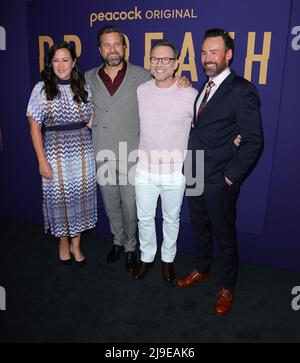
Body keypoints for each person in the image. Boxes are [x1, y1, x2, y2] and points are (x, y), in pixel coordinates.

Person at [85, 26, 190, 272]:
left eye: (117, 44)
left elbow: (168, 87)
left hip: (132, 155)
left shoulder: (143, 76)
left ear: (124, 47)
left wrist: (183, 79)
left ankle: (132, 248)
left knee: (132, 207)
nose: (113, 49)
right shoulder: (88, 77)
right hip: (103, 153)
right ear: (100, 49)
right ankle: (117, 241)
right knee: (111, 204)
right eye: (107, 45)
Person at [176, 29, 264, 315]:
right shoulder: (205, 86)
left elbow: (254, 140)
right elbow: (203, 128)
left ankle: (227, 285)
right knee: (200, 228)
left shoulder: (242, 89)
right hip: (195, 173)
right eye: (203, 52)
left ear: (229, 55)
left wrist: (230, 177)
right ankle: (203, 269)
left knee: (224, 236)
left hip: (219, 179)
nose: (207, 58)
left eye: (214, 52)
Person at [26, 41, 97, 265]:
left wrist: (92, 121)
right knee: (60, 200)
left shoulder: (84, 87)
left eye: (65, 60)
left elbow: (91, 117)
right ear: (50, 64)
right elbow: (34, 126)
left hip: (83, 153)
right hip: (55, 153)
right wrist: (41, 161)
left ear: (74, 62)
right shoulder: (41, 88)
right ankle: (63, 243)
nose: (60, 65)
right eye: (55, 60)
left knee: (80, 198)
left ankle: (76, 245)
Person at [133, 40, 198, 282]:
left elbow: (206, 128)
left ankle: (168, 259)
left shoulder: (191, 94)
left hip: (175, 173)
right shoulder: (141, 90)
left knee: (172, 219)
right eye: (155, 59)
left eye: (166, 59)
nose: (160, 64)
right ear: (150, 63)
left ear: (175, 64)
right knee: (145, 218)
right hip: (144, 170)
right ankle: (147, 257)